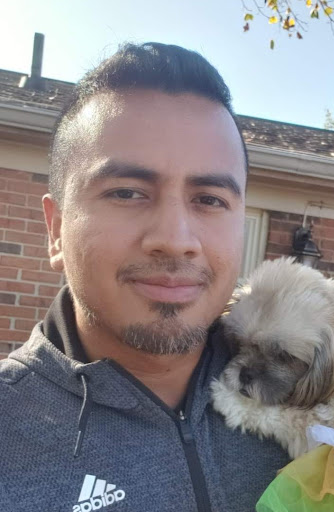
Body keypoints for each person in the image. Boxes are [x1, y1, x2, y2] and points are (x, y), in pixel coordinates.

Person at [0, 43, 290, 512]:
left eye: (210, 199)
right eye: (127, 193)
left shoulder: (325, 397)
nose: (175, 240)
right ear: (56, 231)